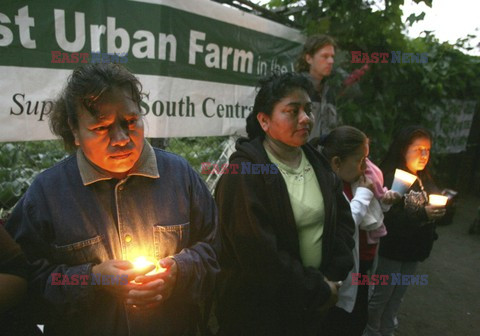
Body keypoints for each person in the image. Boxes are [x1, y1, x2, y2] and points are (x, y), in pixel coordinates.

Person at [5, 63, 220, 335]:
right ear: (75, 131)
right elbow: (25, 282)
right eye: (101, 127)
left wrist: (178, 271)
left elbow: (214, 250)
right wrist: (92, 279)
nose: (120, 139)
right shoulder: (46, 195)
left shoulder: (181, 177)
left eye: (130, 122)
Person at [214, 72, 355, 335]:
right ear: (264, 121)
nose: (305, 119)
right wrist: (316, 287)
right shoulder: (244, 174)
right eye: (292, 111)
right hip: (260, 316)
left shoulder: (318, 163)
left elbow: (342, 222)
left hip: (310, 309)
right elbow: (259, 256)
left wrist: (332, 277)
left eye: (307, 110)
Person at [318, 126, 400, 336]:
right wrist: (364, 195)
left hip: (361, 265)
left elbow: (371, 214)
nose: (365, 166)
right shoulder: (327, 187)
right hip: (339, 273)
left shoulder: (354, 181)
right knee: (341, 322)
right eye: (360, 160)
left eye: (367, 158)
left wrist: (385, 202)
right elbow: (346, 223)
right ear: (336, 163)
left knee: (357, 317)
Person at [365, 125, 446, 336]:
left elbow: (424, 210)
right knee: (381, 296)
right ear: (403, 149)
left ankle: (387, 329)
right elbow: (391, 220)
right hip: (392, 250)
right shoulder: (395, 178)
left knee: (397, 296)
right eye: (418, 149)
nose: (424, 155)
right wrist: (424, 215)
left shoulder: (423, 178)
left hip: (413, 252)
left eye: (428, 149)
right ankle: (371, 331)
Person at [296, 34, 337, 139]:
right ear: (309, 58)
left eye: (332, 56)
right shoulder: (296, 88)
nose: (331, 61)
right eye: (325, 56)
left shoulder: (329, 91)